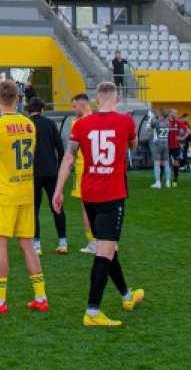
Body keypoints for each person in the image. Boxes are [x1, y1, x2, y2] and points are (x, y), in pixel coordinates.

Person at [53, 81, 143, 327]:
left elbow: (69, 156)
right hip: (111, 196)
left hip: (88, 194)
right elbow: (133, 145)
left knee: (108, 247)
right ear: (116, 99)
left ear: (96, 100)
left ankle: (126, 295)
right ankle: (92, 312)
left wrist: (58, 190)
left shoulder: (81, 124)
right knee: (105, 251)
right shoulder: (126, 122)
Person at [0, 79, 48, 315]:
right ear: (18, 99)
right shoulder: (29, 125)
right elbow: (32, 155)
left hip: (5, 192)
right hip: (26, 190)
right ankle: (40, 296)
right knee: (27, 244)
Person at [26, 97, 67, 255]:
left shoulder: (27, 125)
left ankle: (37, 244)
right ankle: (62, 241)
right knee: (57, 207)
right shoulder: (50, 124)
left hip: (33, 172)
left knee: (33, 209)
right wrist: (60, 167)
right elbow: (60, 147)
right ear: (42, 109)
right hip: (51, 171)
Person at [68, 94, 97, 254]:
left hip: (83, 167)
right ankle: (105, 240)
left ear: (81, 105)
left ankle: (93, 242)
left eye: (74, 107)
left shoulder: (77, 123)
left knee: (86, 207)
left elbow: (72, 150)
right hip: (99, 168)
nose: (73, 110)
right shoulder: (100, 119)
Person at [149, 109, 172, 189]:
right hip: (165, 142)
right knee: (166, 163)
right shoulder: (168, 122)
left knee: (157, 163)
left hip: (158, 143)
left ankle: (158, 182)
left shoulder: (156, 122)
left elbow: (149, 127)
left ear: (160, 113)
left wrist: (151, 118)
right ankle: (168, 182)